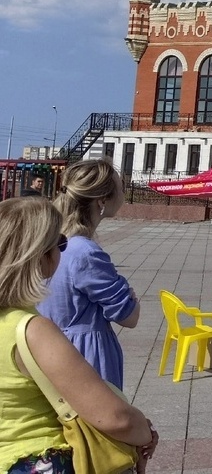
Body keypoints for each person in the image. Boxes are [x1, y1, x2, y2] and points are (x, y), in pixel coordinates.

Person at [0, 197, 157, 474]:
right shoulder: (32, 330)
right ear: (43, 255)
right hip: (34, 459)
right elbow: (115, 418)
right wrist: (146, 433)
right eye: (60, 243)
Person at [39, 158, 139, 389]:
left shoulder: (51, 240)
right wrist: (128, 294)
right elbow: (129, 316)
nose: (123, 194)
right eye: (121, 188)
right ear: (102, 200)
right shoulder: (86, 252)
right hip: (83, 358)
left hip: (49, 349)